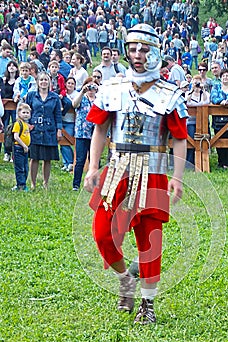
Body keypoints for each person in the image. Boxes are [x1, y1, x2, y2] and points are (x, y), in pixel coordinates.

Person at [84, 24, 187, 324]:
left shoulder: (169, 93)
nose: (138, 54)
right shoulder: (113, 87)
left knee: (149, 240)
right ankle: (125, 279)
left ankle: (148, 302)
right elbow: (100, 127)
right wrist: (92, 166)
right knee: (102, 233)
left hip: (153, 172)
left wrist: (177, 178)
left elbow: (179, 137)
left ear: (155, 52)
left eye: (144, 49)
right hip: (118, 170)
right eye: (132, 48)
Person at [26, 72, 62, 189]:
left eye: (46, 80)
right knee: (34, 157)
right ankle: (33, 183)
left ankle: (45, 183)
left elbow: (58, 115)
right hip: (34, 130)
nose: (43, 82)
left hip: (49, 130)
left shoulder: (55, 97)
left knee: (47, 158)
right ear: (37, 82)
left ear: (49, 82)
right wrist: (27, 125)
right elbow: (26, 111)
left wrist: (59, 130)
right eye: (41, 80)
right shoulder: (31, 96)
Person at [72, 77, 100, 191]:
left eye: (93, 86)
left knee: (95, 159)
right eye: (89, 86)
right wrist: (82, 91)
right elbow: (74, 104)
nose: (91, 89)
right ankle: (76, 184)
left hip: (96, 133)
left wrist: (100, 90)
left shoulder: (99, 99)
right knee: (80, 159)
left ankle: (94, 184)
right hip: (82, 133)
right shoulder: (82, 98)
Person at [186, 74, 210, 169]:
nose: (196, 83)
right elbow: (186, 102)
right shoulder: (188, 93)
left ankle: (202, 162)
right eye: (195, 81)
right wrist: (192, 91)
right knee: (191, 141)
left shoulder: (206, 94)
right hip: (190, 121)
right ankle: (189, 162)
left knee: (203, 141)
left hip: (203, 121)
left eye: (198, 81)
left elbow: (205, 102)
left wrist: (202, 90)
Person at [1, 60, 19, 162]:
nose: (11, 67)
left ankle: (14, 152)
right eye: (10, 66)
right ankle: (6, 152)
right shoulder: (4, 81)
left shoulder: (19, 80)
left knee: (15, 128)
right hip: (5, 107)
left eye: (13, 66)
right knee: (6, 128)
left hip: (15, 107)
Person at [11, 103, 31, 191]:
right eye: (24, 112)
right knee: (20, 168)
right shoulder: (18, 124)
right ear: (19, 113)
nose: (26, 114)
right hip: (18, 148)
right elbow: (16, 136)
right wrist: (23, 145)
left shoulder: (26, 124)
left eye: (27, 113)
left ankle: (23, 183)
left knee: (26, 168)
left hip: (25, 149)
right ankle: (21, 185)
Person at [61, 76, 77, 172]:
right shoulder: (62, 94)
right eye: (69, 83)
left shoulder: (77, 94)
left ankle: (70, 162)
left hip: (71, 121)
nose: (70, 85)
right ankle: (65, 163)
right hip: (62, 121)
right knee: (61, 142)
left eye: (72, 83)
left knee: (67, 141)